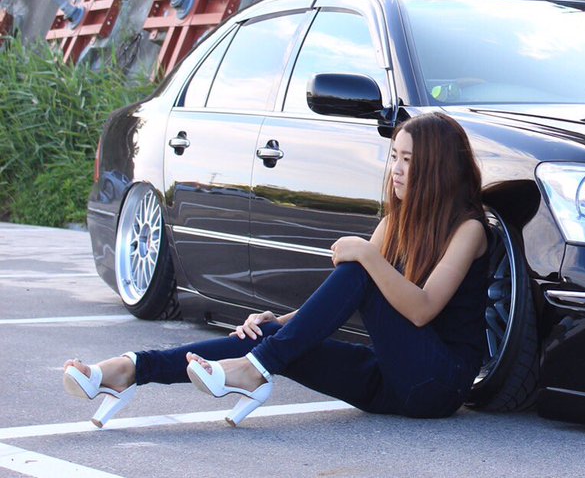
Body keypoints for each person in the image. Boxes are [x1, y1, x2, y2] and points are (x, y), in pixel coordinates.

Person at [62, 112, 490, 427]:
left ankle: (255, 369)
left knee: (356, 273)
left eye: (409, 161)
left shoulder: (468, 228)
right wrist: (279, 322)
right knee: (267, 335)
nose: (396, 169)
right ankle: (131, 369)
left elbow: (422, 309)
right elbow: (340, 301)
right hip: (387, 381)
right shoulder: (392, 225)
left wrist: (367, 255)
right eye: (394, 156)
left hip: (437, 385)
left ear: (436, 168)